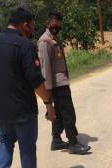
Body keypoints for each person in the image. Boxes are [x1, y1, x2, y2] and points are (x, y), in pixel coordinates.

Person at [0, 8, 56, 168]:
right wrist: (48, 102)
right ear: (25, 25)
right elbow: (35, 80)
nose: (31, 30)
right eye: (31, 26)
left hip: (0, 108)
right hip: (23, 107)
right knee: (27, 144)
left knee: (5, 141)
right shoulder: (24, 45)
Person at [38, 12, 91, 155]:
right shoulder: (44, 41)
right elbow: (45, 67)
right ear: (48, 23)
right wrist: (48, 89)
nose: (57, 27)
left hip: (61, 81)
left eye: (59, 24)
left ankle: (56, 140)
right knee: (68, 112)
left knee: (60, 113)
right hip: (56, 84)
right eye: (54, 24)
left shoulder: (54, 38)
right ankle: (73, 142)